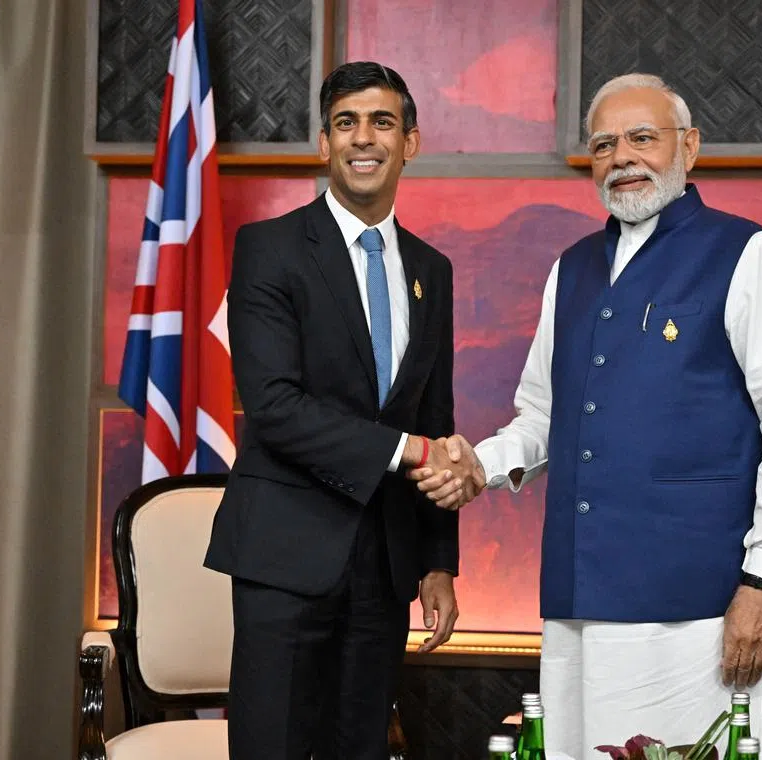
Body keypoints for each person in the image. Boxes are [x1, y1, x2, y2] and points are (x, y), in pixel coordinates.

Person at [412, 73, 762, 759]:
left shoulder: (747, 254)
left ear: (689, 147)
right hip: (581, 602)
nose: (621, 156)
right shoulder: (570, 268)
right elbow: (543, 415)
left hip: (704, 608)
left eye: (642, 137)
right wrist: (476, 466)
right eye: (604, 144)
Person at [204, 61, 479, 760]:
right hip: (286, 558)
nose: (365, 138)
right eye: (346, 122)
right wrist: (411, 452)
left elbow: (435, 414)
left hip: (384, 570)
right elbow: (273, 407)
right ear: (323, 143)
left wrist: (437, 562)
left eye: (382, 122)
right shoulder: (269, 250)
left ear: (409, 142)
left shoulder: (431, 271)